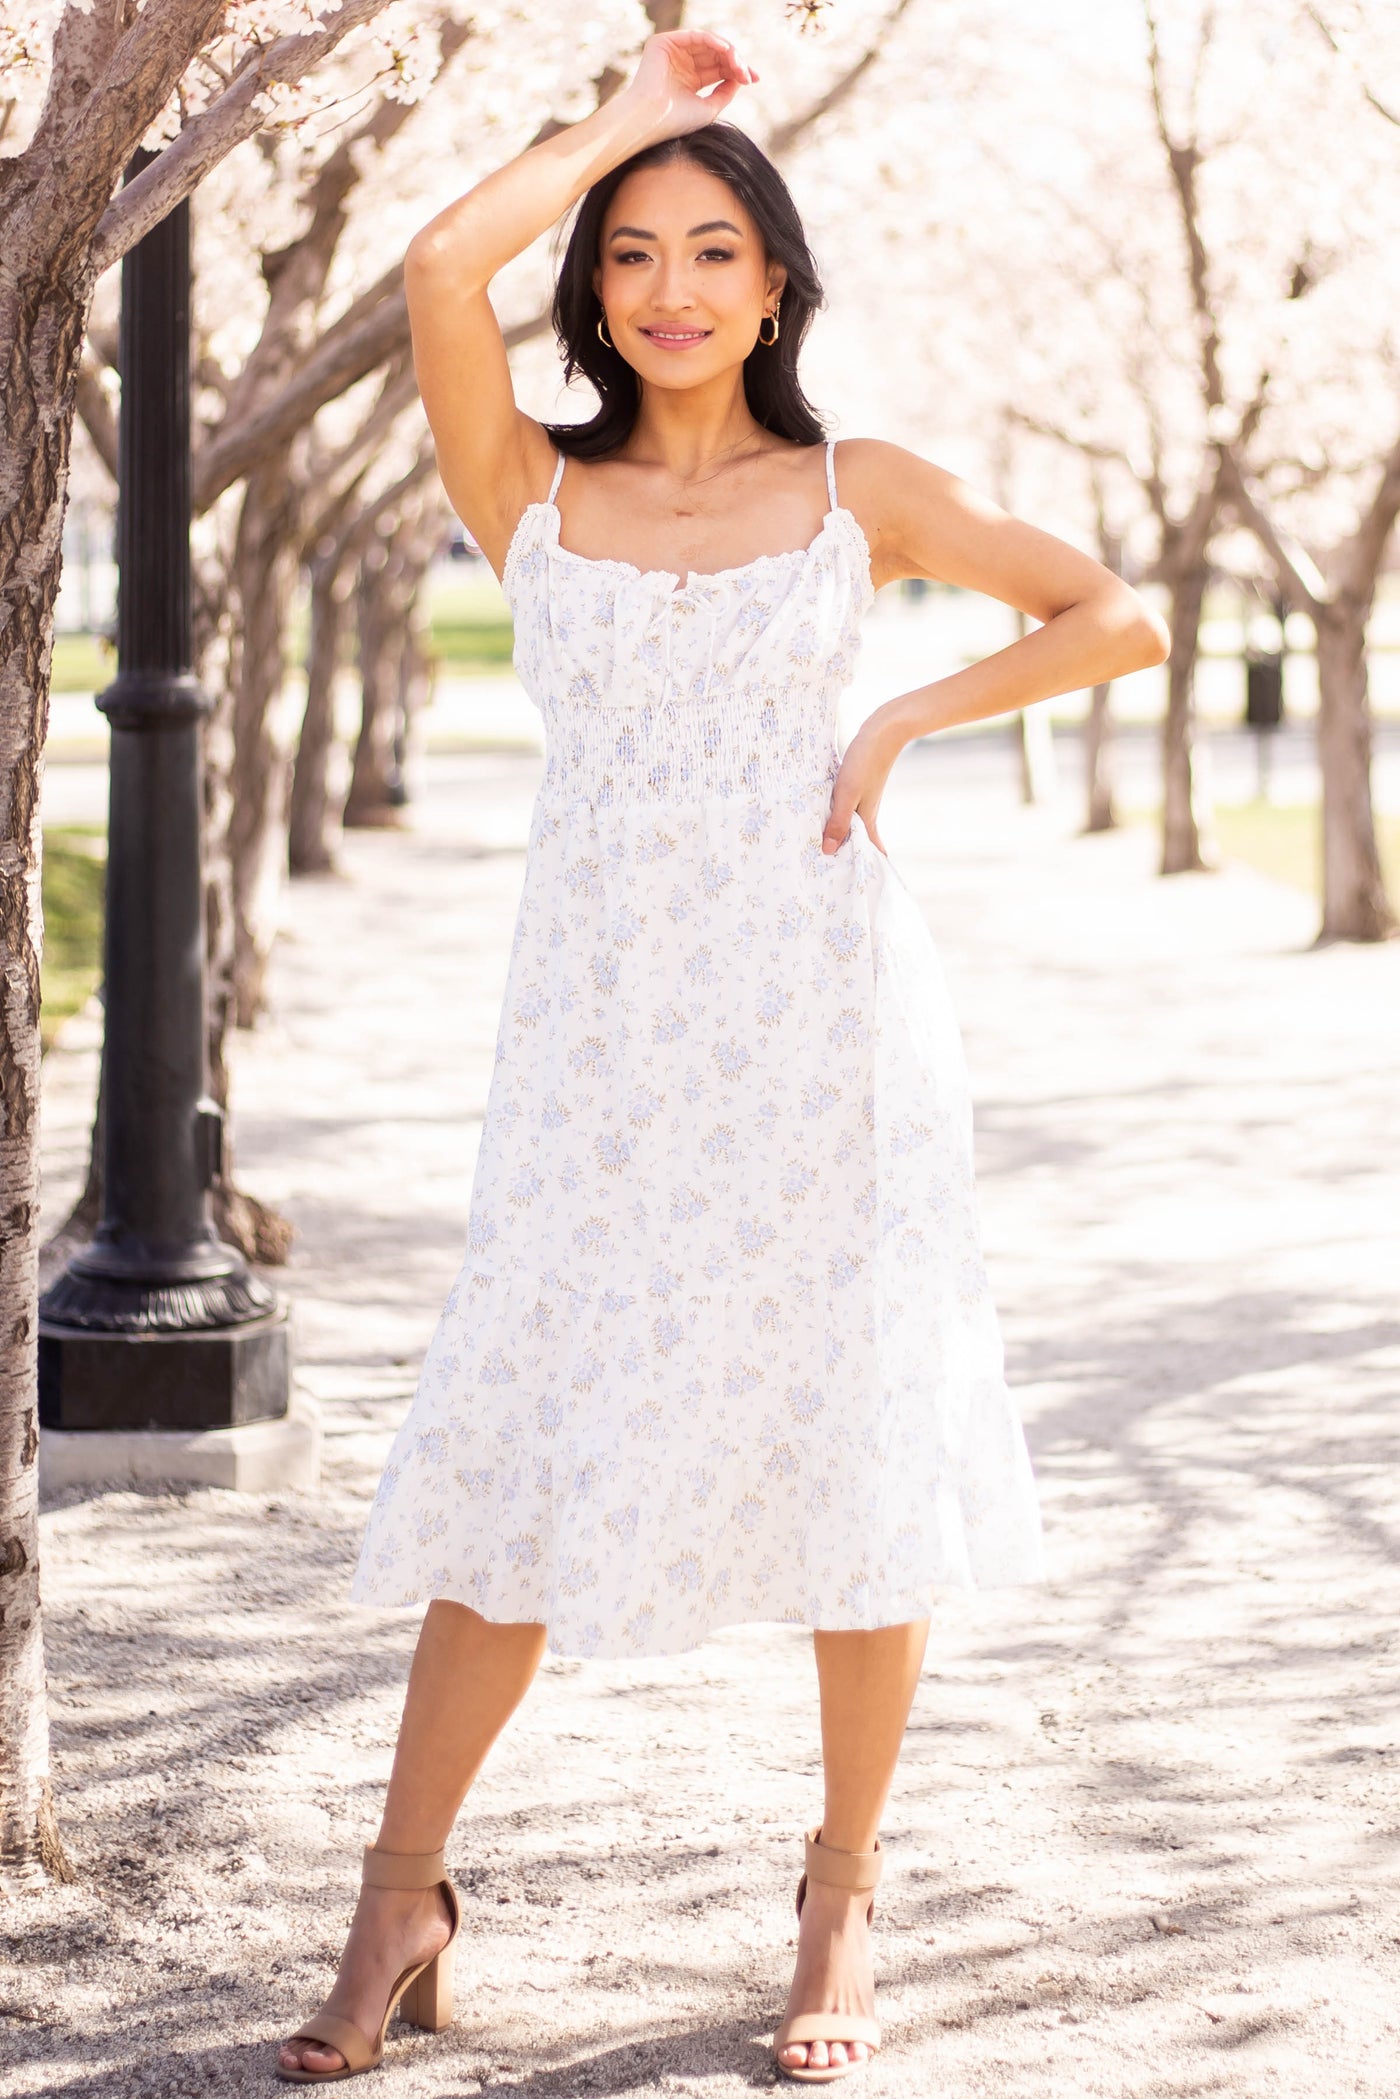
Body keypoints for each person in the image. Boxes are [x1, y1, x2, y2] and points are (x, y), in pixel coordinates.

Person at [276, 27, 1169, 2089]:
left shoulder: (861, 493)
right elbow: (434, 266)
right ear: (593, 294)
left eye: (711, 252)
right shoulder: (532, 490)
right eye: (631, 255)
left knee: (856, 1432)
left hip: (825, 1039)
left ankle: (841, 1893)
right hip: (594, 1053)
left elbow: (1114, 615)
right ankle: (399, 1897)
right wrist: (624, 123)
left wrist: (901, 717)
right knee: (524, 1431)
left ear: (775, 289)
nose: (670, 288)